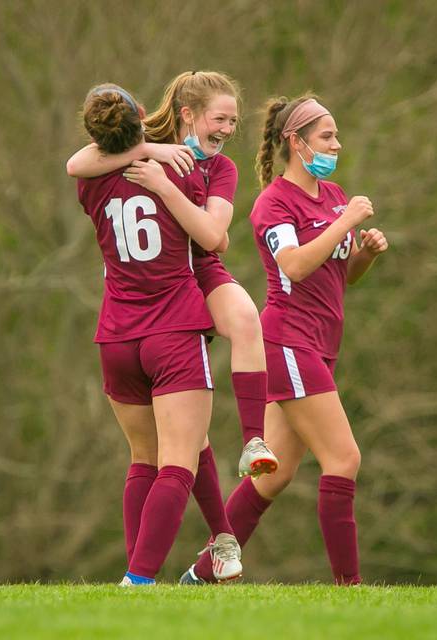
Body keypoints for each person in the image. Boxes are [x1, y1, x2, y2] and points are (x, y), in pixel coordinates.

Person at [181, 95, 389, 585]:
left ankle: (202, 574)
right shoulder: (273, 202)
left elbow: (342, 277)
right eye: (327, 137)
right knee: (345, 457)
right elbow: (293, 265)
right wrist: (345, 222)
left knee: (272, 476)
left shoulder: (334, 195)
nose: (336, 145)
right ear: (295, 142)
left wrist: (365, 254)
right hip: (288, 342)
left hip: (319, 345)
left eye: (336, 136)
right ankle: (350, 590)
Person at [67, 71, 279, 481]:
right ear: (188, 114)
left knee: (247, 319)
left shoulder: (221, 168)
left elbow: (214, 237)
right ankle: (220, 536)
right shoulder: (148, 142)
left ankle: (254, 441)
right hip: (160, 280)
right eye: (220, 119)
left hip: (199, 269)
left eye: (233, 122)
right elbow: (77, 163)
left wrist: (165, 187)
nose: (228, 130)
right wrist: (146, 150)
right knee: (183, 445)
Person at [74, 82, 242, 584]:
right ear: (143, 119)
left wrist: (136, 145)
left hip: (116, 338)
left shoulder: (89, 182)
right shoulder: (178, 170)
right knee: (178, 463)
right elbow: (212, 238)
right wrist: (159, 156)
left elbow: (79, 162)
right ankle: (139, 581)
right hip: (172, 329)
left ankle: (141, 572)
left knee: (143, 459)